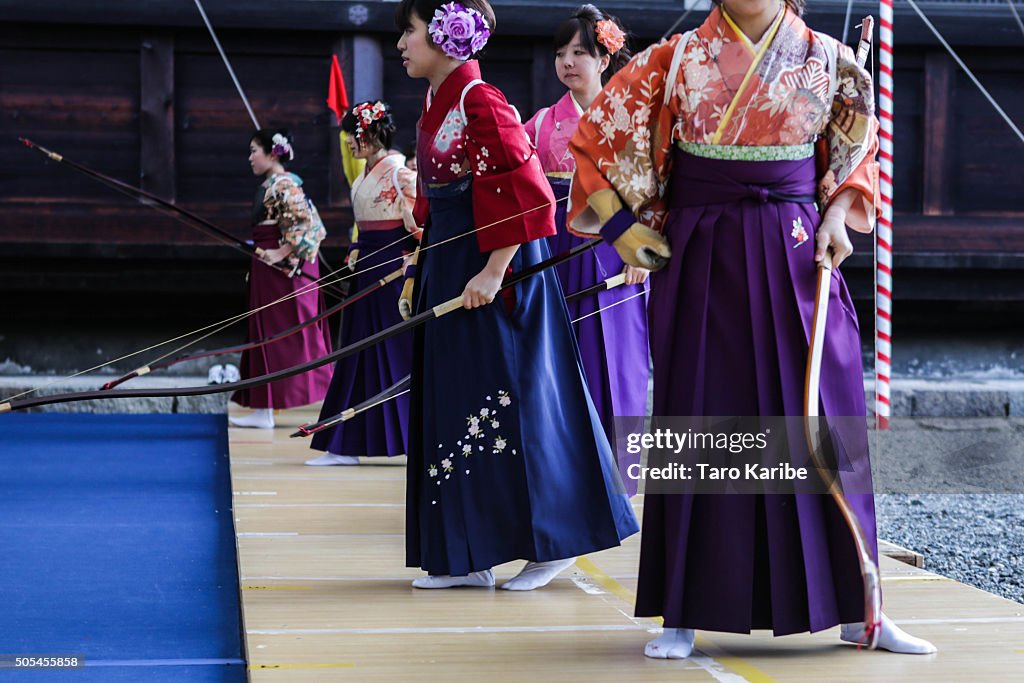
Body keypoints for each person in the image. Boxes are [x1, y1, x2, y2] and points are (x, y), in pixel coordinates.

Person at [568, 0, 936, 658]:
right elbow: (595, 144)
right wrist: (624, 232)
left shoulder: (829, 58)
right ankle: (682, 605)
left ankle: (859, 607)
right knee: (702, 413)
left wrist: (838, 213)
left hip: (797, 247)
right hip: (701, 250)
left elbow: (856, 151)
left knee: (824, 409)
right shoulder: (674, 59)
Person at [395, 0, 638, 591]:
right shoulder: (439, 99)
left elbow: (532, 197)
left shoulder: (481, 100)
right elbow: (447, 190)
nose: (401, 42)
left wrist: (494, 271)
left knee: (520, 400)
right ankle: (467, 550)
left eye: (409, 30)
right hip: (455, 258)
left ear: (447, 37)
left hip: (497, 270)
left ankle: (552, 543)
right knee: (457, 398)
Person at [524, 5, 649, 483]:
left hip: (612, 249)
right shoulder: (539, 124)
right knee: (554, 355)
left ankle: (617, 471)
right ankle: (561, 468)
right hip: (553, 248)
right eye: (561, 54)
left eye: (580, 52)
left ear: (604, 57)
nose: (568, 62)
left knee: (615, 356)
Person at [306, 102, 419, 466]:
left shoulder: (401, 173)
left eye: (353, 135)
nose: (350, 143)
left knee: (397, 352)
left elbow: (420, 227)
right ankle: (345, 443)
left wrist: (410, 264)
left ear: (370, 135)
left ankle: (417, 436)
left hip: (391, 271)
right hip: (367, 264)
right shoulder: (366, 173)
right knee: (358, 350)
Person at [230, 129, 333, 429]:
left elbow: (309, 225)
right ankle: (264, 408)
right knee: (266, 336)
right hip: (270, 268)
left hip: (283, 270)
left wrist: (281, 252)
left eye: (253, 151)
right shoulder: (273, 184)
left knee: (289, 338)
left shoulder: (284, 183)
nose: (250, 157)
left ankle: (285, 404)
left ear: (272, 153)